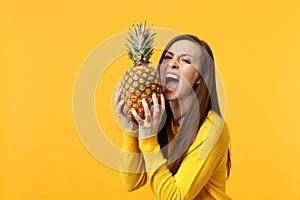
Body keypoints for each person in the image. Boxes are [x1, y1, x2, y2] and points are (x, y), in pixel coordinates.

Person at [115, 34, 232, 200]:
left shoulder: (212, 128)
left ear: (199, 77)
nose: (172, 64)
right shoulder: (160, 120)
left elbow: (175, 198)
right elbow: (132, 182)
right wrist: (131, 130)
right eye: (168, 57)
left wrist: (148, 139)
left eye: (185, 60)